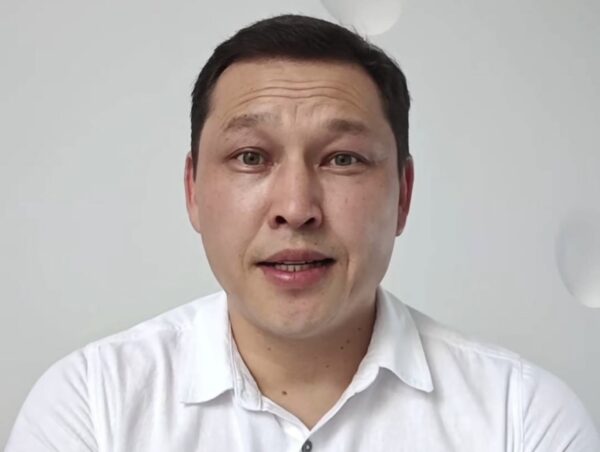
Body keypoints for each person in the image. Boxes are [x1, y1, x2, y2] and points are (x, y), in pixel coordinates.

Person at [5, 14, 599, 452]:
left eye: (342, 159)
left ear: (403, 195)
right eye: (250, 157)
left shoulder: (522, 420)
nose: (295, 208)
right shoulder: (92, 407)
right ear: (193, 190)